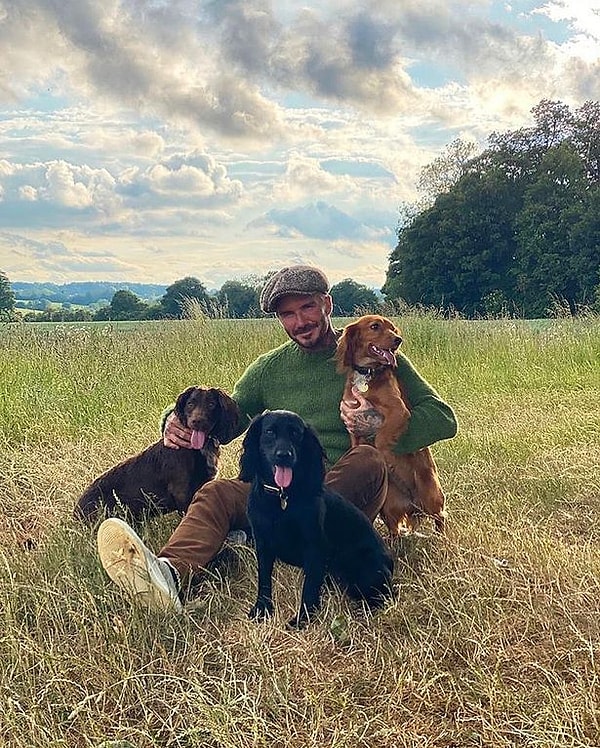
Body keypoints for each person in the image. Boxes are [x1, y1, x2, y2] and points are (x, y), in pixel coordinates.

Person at [96, 265, 458, 613]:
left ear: (326, 304)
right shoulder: (269, 369)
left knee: (367, 460)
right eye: (287, 314)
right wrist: (172, 421)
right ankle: (167, 575)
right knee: (216, 492)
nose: (300, 322)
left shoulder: (375, 353)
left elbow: (444, 419)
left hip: (340, 491)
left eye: (307, 307)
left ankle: (272, 540)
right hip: (279, 492)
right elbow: (226, 418)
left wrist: (378, 424)